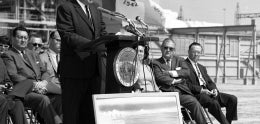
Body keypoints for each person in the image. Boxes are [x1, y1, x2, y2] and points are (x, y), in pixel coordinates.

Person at [56, 0, 107, 123]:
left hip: (94, 71)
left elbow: (102, 32)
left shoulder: (96, 9)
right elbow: (67, 34)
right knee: (72, 116)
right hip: (74, 71)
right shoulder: (66, 7)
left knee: (90, 116)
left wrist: (114, 37)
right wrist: (92, 45)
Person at [2, 26, 62, 124]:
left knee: (60, 98)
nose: (23, 40)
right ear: (13, 38)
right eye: (20, 37)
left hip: (42, 87)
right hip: (24, 92)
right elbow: (14, 76)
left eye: (25, 38)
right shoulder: (8, 55)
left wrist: (44, 82)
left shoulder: (33, 54)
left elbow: (44, 71)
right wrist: (35, 85)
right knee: (43, 99)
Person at [151, 38, 207, 124]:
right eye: (166, 48)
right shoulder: (155, 63)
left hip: (182, 93)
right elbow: (159, 77)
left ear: (174, 51)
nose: (168, 50)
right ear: (161, 48)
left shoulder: (180, 60)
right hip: (167, 93)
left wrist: (171, 73)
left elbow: (187, 72)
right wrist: (174, 81)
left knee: (195, 103)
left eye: (171, 48)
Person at [184, 42, 238, 124]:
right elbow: (185, 84)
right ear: (188, 52)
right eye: (194, 51)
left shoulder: (201, 67)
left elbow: (209, 82)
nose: (196, 54)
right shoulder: (183, 65)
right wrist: (201, 90)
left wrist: (214, 89)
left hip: (209, 93)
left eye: (198, 52)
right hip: (197, 94)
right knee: (214, 103)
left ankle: (228, 122)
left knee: (232, 99)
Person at [0, 35, 28, 124]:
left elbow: (8, 80)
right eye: (0, 45)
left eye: (5, 46)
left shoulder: (1, 62)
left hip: (4, 93)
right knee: (3, 101)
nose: (2, 48)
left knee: (17, 102)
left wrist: (8, 86)